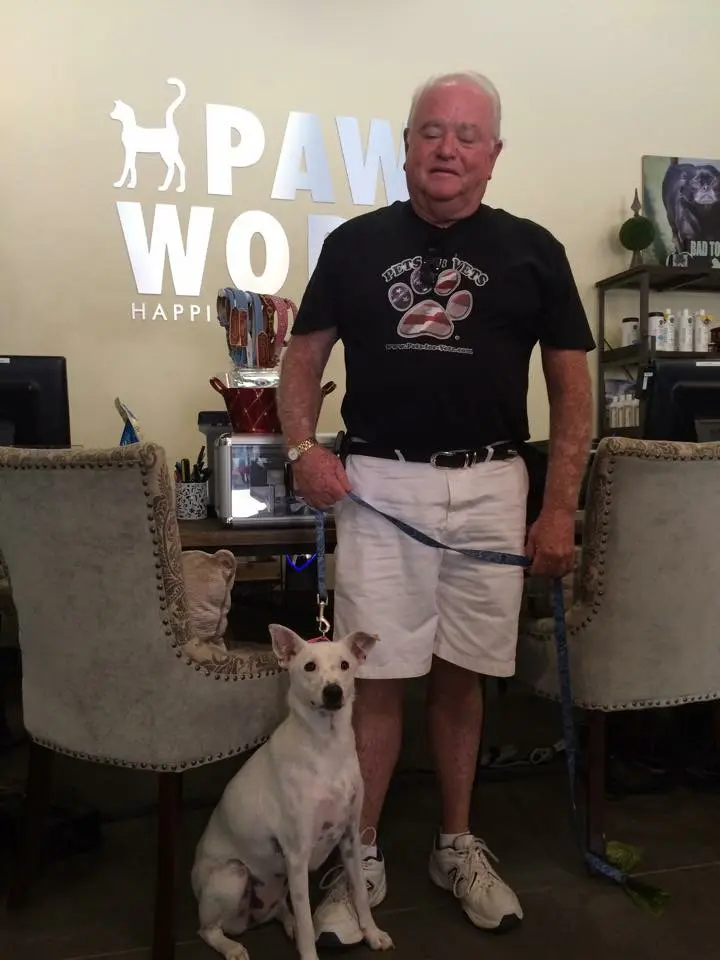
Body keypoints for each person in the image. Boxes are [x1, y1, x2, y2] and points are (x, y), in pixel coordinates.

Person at [277, 70, 594, 947]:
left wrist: (558, 506)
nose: (447, 149)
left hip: (493, 484)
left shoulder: (535, 250)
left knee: (463, 674)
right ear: (407, 145)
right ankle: (360, 856)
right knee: (376, 679)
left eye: (466, 135)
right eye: (431, 132)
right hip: (381, 484)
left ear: (493, 154)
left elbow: (572, 391)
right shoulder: (354, 244)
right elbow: (302, 358)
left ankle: (456, 846)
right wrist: (302, 449)